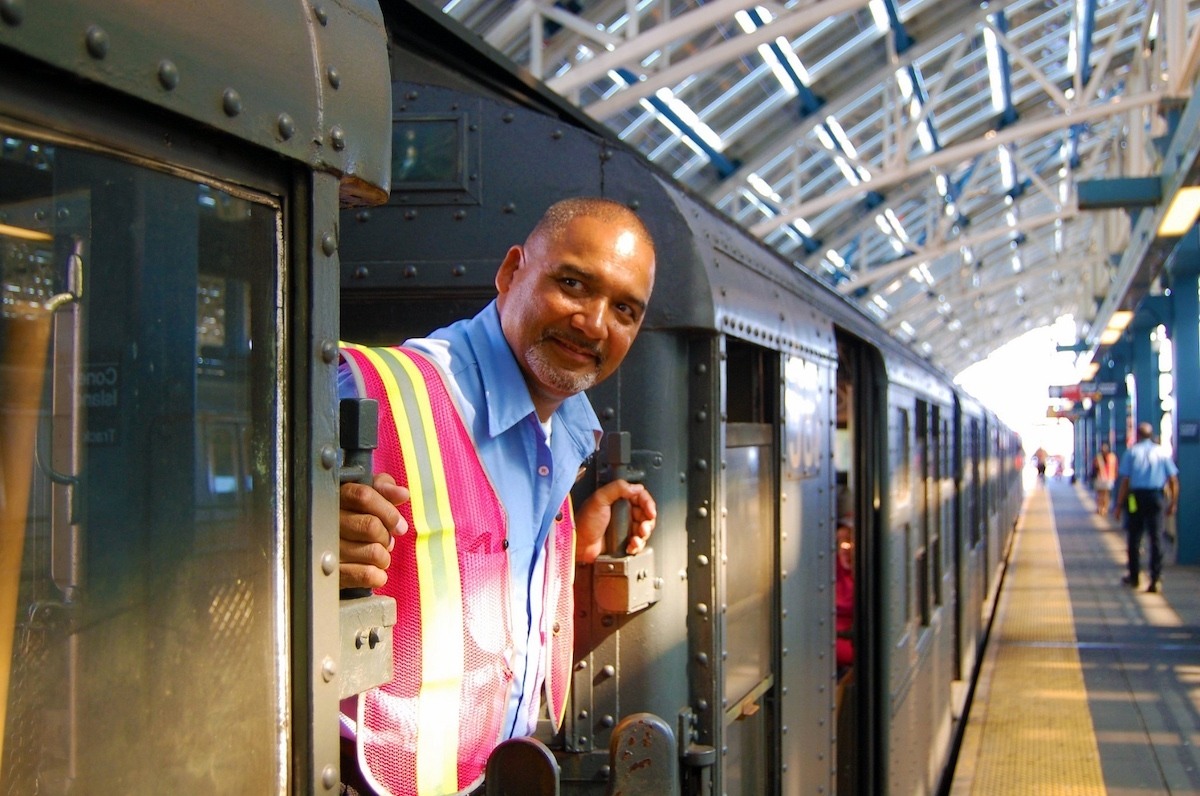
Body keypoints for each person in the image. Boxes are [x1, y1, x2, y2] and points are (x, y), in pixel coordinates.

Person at [336, 197, 658, 796]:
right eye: (572, 283)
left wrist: (570, 559)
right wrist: (298, 540)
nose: (593, 323)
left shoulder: (560, 430)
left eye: (624, 309)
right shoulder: (367, 388)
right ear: (512, 272)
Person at [1112, 422, 1179, 593]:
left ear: (1138, 435)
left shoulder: (1131, 452)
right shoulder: (1161, 453)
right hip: (1156, 497)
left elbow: (1125, 482)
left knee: (1134, 537)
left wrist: (1119, 505)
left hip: (1135, 498)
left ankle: (1134, 577)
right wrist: (1173, 502)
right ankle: (1155, 579)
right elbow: (1173, 480)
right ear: (1151, 435)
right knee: (1156, 538)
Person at [834, 519, 855, 680]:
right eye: (842, 544)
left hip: (851, 663)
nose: (846, 550)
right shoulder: (831, 569)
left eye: (850, 544)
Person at [1092, 442, 1117, 515]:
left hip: (1104, 478)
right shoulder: (1112, 457)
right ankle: (1103, 508)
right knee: (1103, 494)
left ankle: (1102, 508)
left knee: (1102, 494)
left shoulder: (1099, 457)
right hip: (1106, 479)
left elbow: (1094, 468)